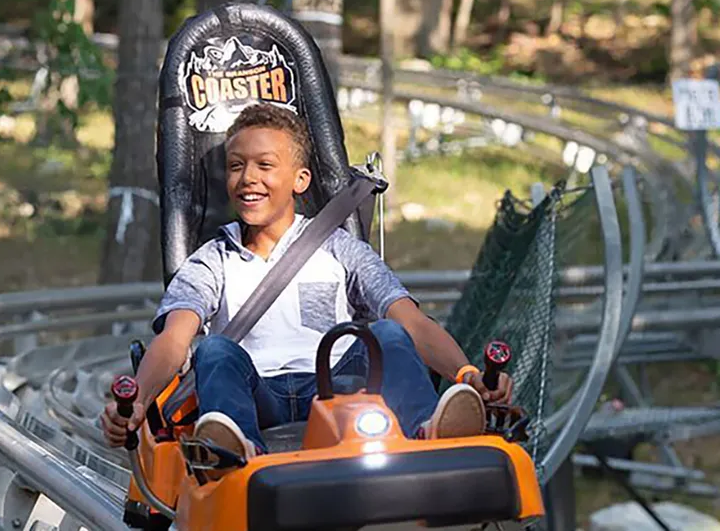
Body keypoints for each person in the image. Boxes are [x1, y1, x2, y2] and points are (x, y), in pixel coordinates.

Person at [100, 102, 512, 479]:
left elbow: (412, 322)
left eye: (265, 165)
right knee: (212, 351)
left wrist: (468, 374)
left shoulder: (340, 248)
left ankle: (432, 430)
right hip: (259, 393)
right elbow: (174, 340)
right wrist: (138, 401)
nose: (248, 179)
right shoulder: (212, 259)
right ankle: (235, 453)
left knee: (387, 334)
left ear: (300, 180)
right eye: (236, 166)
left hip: (337, 389)